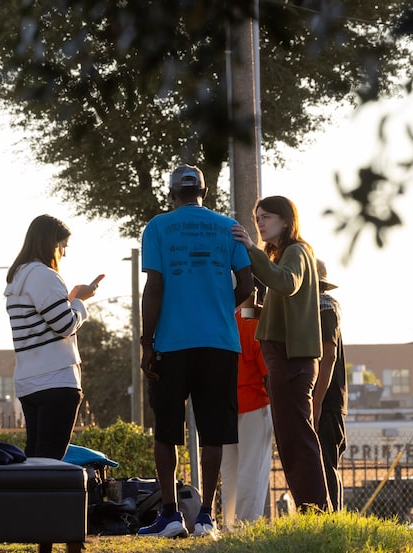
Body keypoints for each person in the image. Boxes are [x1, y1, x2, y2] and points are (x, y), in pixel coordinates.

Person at [138, 164, 253, 539]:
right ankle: (206, 517)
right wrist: (221, 304)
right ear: (204, 192)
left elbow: (154, 287)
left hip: (171, 343)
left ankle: (170, 515)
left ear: (172, 194)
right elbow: (248, 285)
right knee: (214, 432)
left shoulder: (157, 227)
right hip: (220, 343)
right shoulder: (228, 227)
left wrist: (146, 341)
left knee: (166, 430)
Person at [4, 214, 99, 553]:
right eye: (63, 246)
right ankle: (47, 536)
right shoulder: (45, 275)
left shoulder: (17, 278)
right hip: (56, 378)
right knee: (52, 465)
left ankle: (36, 534)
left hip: (29, 380)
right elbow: (63, 324)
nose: (64, 253)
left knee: (36, 461)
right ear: (51, 243)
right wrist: (80, 301)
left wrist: (72, 297)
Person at [231, 195, 331, 512]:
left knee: (298, 440)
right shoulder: (286, 254)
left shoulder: (297, 252)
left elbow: (285, 283)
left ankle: (316, 509)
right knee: (291, 440)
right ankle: (312, 508)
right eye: (257, 216)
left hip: (291, 361)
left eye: (267, 217)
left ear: (286, 220)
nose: (259, 222)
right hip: (283, 359)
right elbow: (266, 312)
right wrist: (236, 302)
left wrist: (249, 248)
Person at [219, 284, 273, 530]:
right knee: (252, 468)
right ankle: (246, 527)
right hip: (254, 402)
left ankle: (229, 525)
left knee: (229, 471)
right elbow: (267, 371)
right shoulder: (250, 320)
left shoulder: (218, 319)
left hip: (223, 405)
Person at [313, 259, 347, 511]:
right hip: (321, 397)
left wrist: (316, 402)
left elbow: (329, 356)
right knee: (318, 462)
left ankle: (331, 519)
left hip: (327, 398)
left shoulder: (325, 307)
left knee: (326, 464)